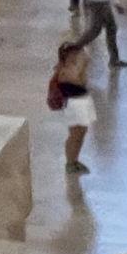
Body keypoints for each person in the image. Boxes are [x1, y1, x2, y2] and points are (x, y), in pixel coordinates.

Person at [48, 34, 94, 174]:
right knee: (75, 134)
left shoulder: (73, 68)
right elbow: (78, 80)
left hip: (82, 101)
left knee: (82, 132)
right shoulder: (65, 72)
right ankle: (70, 162)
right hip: (74, 104)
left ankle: (75, 159)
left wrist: (82, 64)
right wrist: (81, 66)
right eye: (76, 57)